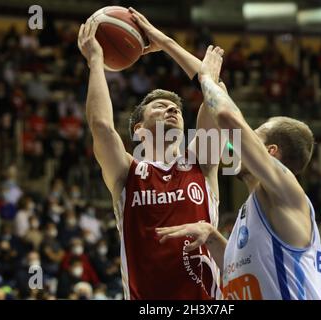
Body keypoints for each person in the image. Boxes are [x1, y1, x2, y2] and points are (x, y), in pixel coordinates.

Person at [157, 46, 321, 300]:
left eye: (252, 137)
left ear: (270, 152)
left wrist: (205, 77)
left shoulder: (287, 190)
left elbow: (226, 115)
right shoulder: (253, 210)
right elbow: (243, 273)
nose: (236, 145)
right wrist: (212, 237)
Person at [77, 8, 224, 299]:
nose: (171, 109)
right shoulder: (126, 172)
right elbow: (102, 126)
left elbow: (215, 94)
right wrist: (96, 61)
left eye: (177, 109)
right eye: (159, 107)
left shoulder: (202, 163)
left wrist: (166, 42)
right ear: (139, 129)